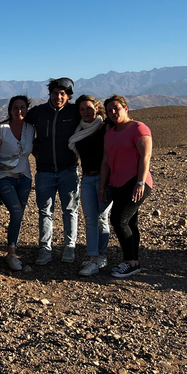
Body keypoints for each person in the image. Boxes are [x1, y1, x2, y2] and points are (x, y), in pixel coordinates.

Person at [25, 77, 81, 265]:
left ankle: (69, 248)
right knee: (44, 212)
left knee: (70, 210)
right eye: (55, 93)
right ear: (50, 94)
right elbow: (20, 123)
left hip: (68, 169)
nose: (58, 97)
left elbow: (93, 121)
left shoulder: (75, 112)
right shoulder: (39, 112)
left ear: (69, 96)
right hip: (44, 171)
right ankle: (45, 250)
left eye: (62, 94)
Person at [99, 94, 153, 278]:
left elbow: (145, 157)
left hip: (135, 181)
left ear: (125, 108)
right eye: (109, 110)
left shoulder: (139, 128)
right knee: (130, 221)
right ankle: (134, 261)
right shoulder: (110, 134)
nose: (113, 112)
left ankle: (130, 262)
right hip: (117, 182)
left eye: (116, 108)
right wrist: (102, 186)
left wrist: (140, 182)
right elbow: (106, 161)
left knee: (119, 220)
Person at [0, 95, 34, 271]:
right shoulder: (2, 129)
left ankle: (11, 250)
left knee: (20, 214)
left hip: (25, 177)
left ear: (27, 109)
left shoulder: (30, 129)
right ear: (10, 110)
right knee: (15, 212)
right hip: (3, 177)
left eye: (22, 107)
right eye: (16, 108)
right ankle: (11, 253)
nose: (19, 111)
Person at [68, 94, 111, 276]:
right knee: (90, 219)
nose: (86, 112)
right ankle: (93, 257)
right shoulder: (78, 131)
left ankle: (102, 254)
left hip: (105, 178)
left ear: (96, 108)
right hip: (86, 178)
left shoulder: (106, 127)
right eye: (82, 109)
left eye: (89, 108)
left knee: (102, 216)